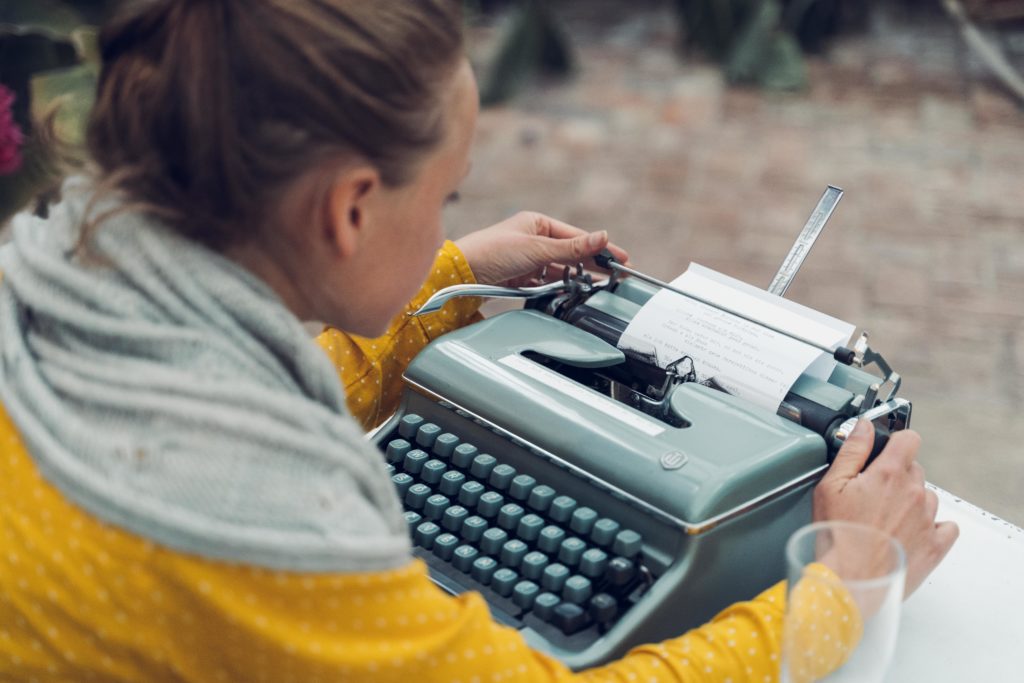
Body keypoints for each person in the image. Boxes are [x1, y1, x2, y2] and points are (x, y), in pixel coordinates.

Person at [0, 1, 957, 681]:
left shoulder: (57, 291)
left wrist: (454, 272)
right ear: (348, 208)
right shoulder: (268, 533)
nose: (448, 228)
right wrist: (840, 587)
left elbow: (216, 401)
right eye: (445, 196)